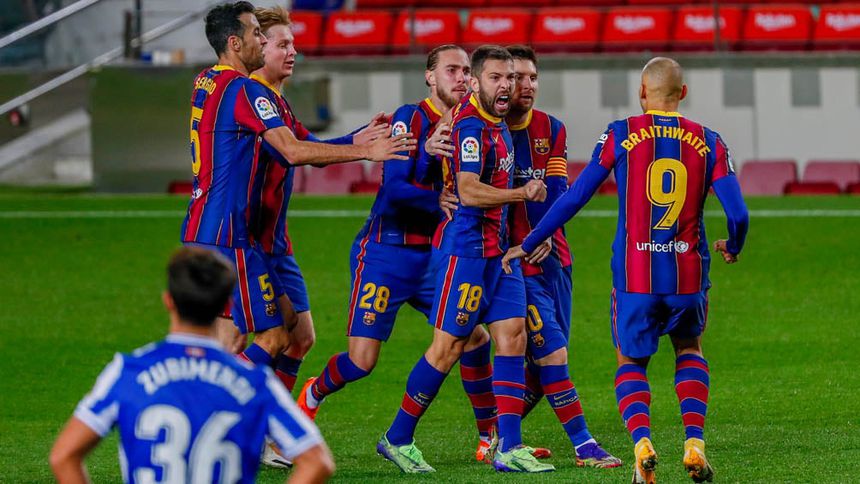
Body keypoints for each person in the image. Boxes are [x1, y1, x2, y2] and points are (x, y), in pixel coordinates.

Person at [503, 57, 749, 484]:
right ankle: (694, 442)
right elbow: (739, 214)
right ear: (683, 93)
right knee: (689, 350)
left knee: (631, 361)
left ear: (641, 92)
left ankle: (641, 446)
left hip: (636, 276)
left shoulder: (621, 134)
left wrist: (529, 241)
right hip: (688, 275)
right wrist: (734, 245)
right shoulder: (710, 141)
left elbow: (575, 195)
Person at [180, 2, 415, 377]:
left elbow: (301, 146)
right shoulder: (246, 91)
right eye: (258, 34)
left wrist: (355, 140)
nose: (263, 41)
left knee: (293, 331)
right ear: (235, 43)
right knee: (267, 337)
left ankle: (261, 413)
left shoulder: (208, 81)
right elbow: (291, 151)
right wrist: (366, 152)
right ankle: (212, 399)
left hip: (228, 230)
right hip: (229, 233)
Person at [294, 44, 498, 461]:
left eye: (466, 71)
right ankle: (313, 393)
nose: (461, 77)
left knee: (474, 337)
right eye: (451, 69)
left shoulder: (470, 123)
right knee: (361, 362)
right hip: (386, 255)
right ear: (430, 76)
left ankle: (488, 437)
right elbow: (393, 189)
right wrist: (429, 164)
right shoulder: (410, 118)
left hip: (434, 257)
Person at [376, 45, 552, 474]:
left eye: (511, 77)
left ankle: (508, 446)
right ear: (474, 82)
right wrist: (521, 193)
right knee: (448, 347)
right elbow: (469, 190)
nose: (507, 85)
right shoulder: (471, 126)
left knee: (513, 337)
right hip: (466, 251)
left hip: (498, 252)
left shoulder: (498, 123)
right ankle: (397, 438)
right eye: (496, 77)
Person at [49, 247, 334, 483]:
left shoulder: (128, 372)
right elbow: (317, 462)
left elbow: (63, 456)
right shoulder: (255, 382)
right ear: (225, 304)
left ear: (168, 301)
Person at [503, 44, 621, 469]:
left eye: (533, 77)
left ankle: (497, 437)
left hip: (555, 258)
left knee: (544, 365)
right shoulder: (488, 132)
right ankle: (584, 444)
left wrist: (546, 233)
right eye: (517, 77)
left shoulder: (552, 128)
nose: (527, 85)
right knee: (552, 353)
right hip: (514, 261)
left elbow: (558, 190)